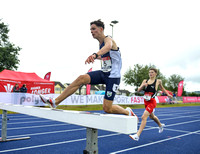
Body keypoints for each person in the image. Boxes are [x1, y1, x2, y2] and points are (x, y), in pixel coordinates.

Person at [39, 19, 137, 117]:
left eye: (94, 29)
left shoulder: (108, 39)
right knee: (81, 78)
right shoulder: (100, 44)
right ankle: (55, 102)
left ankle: (127, 112)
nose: (91, 31)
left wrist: (94, 55)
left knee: (107, 108)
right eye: (90, 30)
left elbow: (108, 47)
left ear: (101, 29)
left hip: (113, 77)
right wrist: (97, 57)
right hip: (104, 73)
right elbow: (106, 56)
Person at [129, 68, 172, 141]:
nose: (150, 74)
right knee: (152, 117)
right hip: (146, 101)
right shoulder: (145, 81)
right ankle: (160, 125)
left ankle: (137, 135)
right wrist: (143, 85)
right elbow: (138, 90)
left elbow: (162, 89)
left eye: (152, 72)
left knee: (143, 117)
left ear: (155, 73)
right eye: (149, 72)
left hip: (152, 101)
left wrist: (168, 94)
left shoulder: (158, 81)